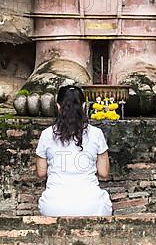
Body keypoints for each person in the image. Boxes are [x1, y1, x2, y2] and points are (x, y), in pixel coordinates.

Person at [35, 85, 112, 216]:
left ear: (58, 106)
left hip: (54, 207)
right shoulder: (96, 133)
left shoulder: (46, 134)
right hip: (92, 207)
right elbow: (104, 173)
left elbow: (41, 173)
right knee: (103, 202)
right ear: (83, 106)